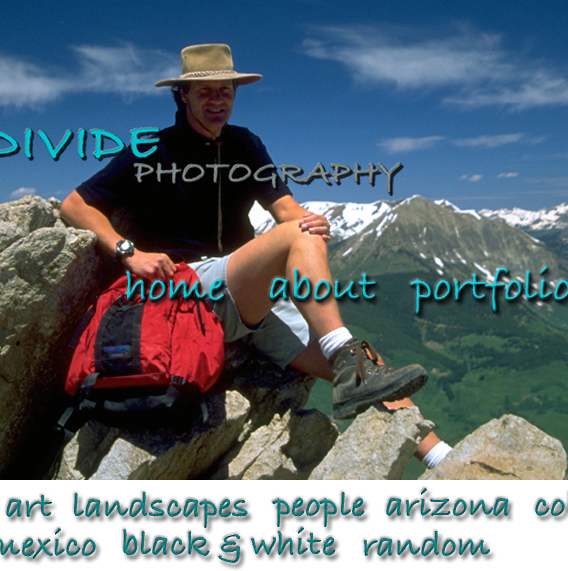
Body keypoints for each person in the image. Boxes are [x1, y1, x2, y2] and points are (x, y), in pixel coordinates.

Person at [61, 44, 451, 467]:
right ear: (183, 96)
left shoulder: (245, 145)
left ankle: (442, 459)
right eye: (205, 91)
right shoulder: (151, 149)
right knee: (306, 265)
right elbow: (74, 205)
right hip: (188, 290)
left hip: (247, 291)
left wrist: (311, 220)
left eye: (225, 90)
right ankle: (343, 350)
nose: (217, 100)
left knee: (364, 370)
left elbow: (284, 208)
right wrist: (128, 252)